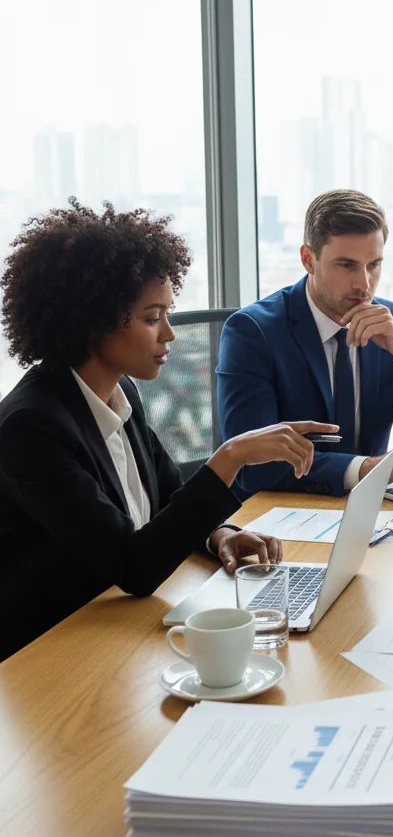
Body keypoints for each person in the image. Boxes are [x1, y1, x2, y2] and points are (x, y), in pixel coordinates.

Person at [0, 201, 337, 661]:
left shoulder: (120, 395)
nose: (170, 335)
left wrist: (218, 534)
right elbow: (134, 567)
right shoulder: (31, 428)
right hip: (55, 654)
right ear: (92, 321)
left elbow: (168, 498)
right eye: (152, 317)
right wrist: (231, 455)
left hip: (119, 629)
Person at [217, 189, 393, 499]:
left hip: (372, 515)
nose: (364, 284)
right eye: (347, 265)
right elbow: (250, 465)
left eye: (374, 265)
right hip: (284, 519)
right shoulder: (251, 332)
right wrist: (369, 468)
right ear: (308, 259)